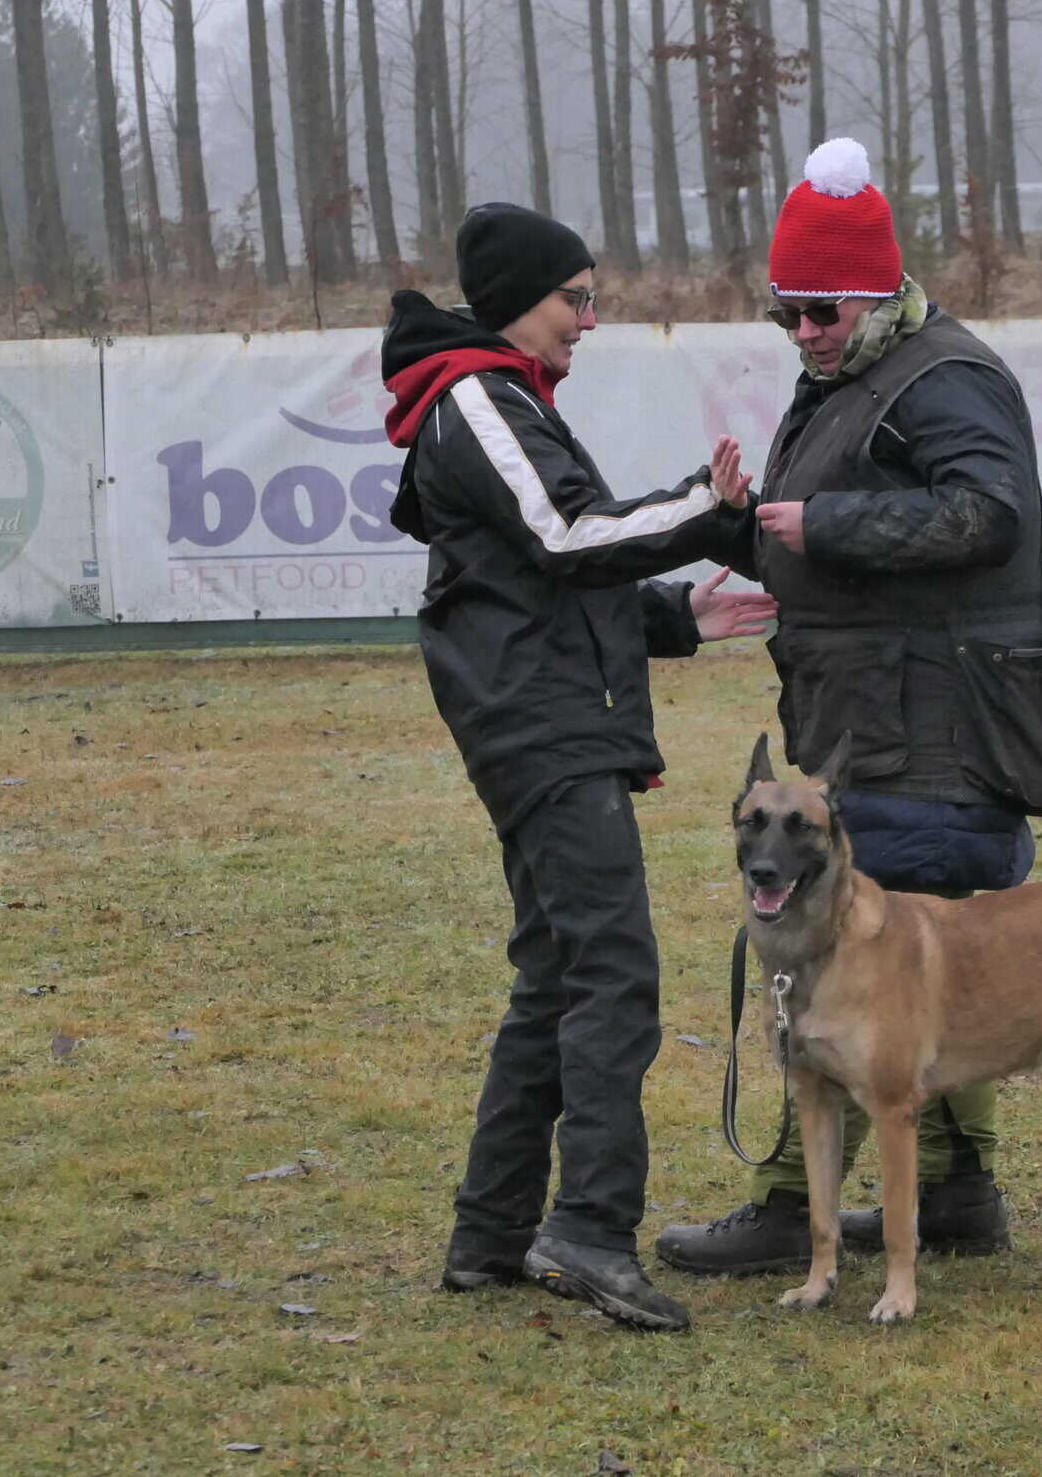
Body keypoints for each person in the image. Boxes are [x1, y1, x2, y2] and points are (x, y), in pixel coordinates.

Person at [656, 139, 1042, 1278]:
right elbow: (823, 536)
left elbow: (989, 515)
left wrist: (826, 524)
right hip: (875, 730)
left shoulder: (947, 378)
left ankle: (793, 1203)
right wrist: (741, 522)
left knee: (830, 967)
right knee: (927, 988)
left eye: (821, 309)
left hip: (933, 741)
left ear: (879, 289)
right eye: (785, 311)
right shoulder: (850, 378)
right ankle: (956, 1193)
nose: (802, 331)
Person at [381, 202, 777, 1332]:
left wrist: (680, 616)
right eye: (575, 299)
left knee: (556, 979)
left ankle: (490, 1235)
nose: (589, 320)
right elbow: (564, 538)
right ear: (518, 300)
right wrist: (706, 509)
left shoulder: (499, 397)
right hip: (545, 734)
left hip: (543, 723)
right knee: (613, 978)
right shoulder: (475, 397)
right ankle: (591, 1231)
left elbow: (533, 582)